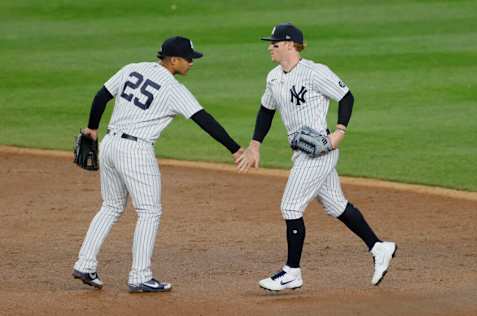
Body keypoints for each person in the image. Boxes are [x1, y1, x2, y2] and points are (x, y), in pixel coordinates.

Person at [72, 36, 243, 293]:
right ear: (173, 60)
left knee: (110, 206)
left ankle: (84, 263)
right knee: (149, 211)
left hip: (109, 143)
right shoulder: (173, 88)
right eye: (188, 59)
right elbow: (204, 119)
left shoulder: (133, 68)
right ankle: (140, 276)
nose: (192, 63)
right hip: (135, 151)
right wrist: (235, 148)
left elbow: (101, 96)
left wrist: (93, 129)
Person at [236, 23, 396, 292]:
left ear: (290, 44)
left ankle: (292, 272)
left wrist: (339, 132)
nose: (269, 48)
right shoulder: (274, 77)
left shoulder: (314, 72)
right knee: (336, 205)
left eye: (274, 44)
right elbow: (266, 110)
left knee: (290, 207)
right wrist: (255, 145)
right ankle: (379, 247)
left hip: (320, 152)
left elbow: (346, 96)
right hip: (301, 152)